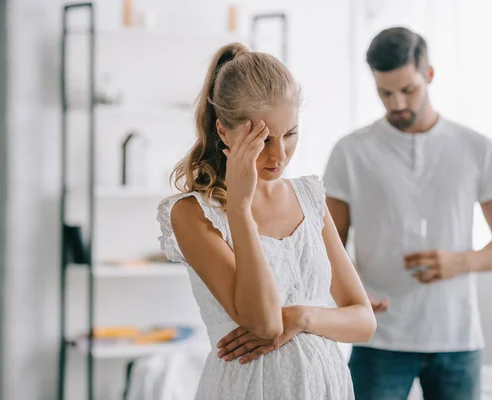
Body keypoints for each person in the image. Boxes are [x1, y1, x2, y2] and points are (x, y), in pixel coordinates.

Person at [157, 42, 376, 400]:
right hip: (247, 389)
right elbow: (264, 323)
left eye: (290, 134)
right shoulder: (193, 214)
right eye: (263, 138)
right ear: (223, 131)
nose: (279, 155)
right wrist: (240, 208)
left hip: (324, 387)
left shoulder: (309, 197)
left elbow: (363, 322)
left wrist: (303, 317)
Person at [323, 27, 492, 400]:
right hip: (378, 336)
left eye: (408, 90)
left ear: (429, 75)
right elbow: (329, 245)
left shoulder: (476, 148)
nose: (397, 103)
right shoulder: (350, 152)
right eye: (385, 93)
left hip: (456, 337)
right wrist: (350, 295)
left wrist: (458, 263)